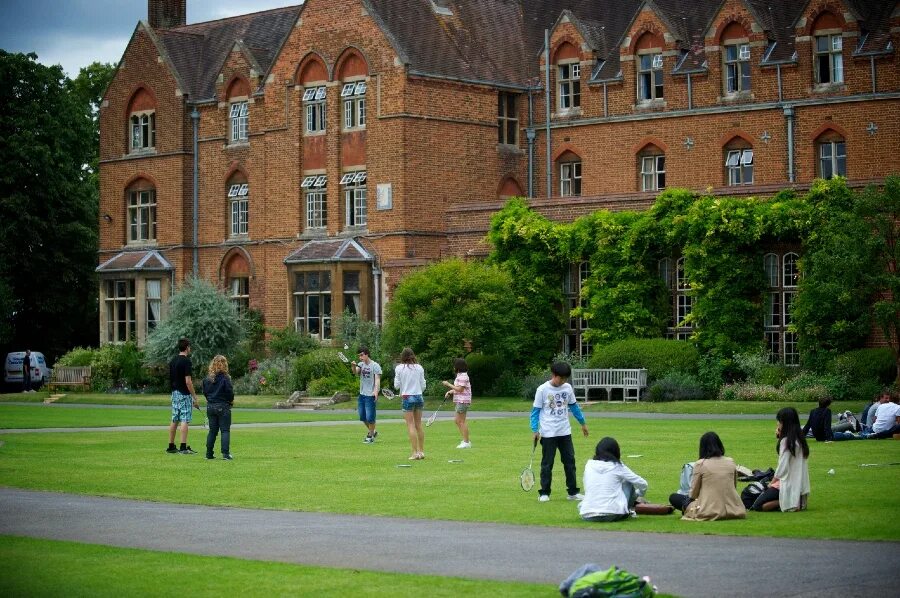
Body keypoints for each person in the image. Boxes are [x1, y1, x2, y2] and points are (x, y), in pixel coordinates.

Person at [531, 361, 589, 502]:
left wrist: (583, 423)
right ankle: (544, 493)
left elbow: (574, 407)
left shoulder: (567, 388)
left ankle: (573, 492)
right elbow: (535, 412)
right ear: (554, 375)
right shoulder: (542, 390)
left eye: (565, 378)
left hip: (565, 431)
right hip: (548, 432)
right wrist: (534, 430)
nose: (563, 381)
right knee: (547, 464)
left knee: (570, 462)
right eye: (560, 378)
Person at [668, 432, 746, 521]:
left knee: (674, 497)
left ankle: (689, 510)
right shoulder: (731, 462)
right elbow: (733, 486)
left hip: (708, 510)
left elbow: (693, 493)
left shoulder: (701, 464)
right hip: (734, 508)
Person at [751, 407, 810, 512]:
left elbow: (782, 467)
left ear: (784, 423)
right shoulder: (800, 440)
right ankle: (794, 500)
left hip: (787, 483)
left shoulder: (786, 442)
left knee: (758, 505)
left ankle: (790, 502)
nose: (777, 425)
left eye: (779, 422)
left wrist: (771, 483)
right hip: (799, 484)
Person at [579, 437, 647, 522]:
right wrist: (637, 495)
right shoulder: (618, 466)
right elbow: (643, 484)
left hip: (587, 515)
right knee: (628, 482)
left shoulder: (589, 465)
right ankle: (629, 509)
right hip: (613, 514)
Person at [167, 338, 199, 455]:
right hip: (184, 393)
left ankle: (171, 446)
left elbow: (171, 379)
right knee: (185, 419)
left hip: (174, 393)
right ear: (187, 348)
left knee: (175, 418)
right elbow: (188, 381)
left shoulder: (173, 361)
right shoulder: (186, 361)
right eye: (189, 347)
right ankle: (183, 447)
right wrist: (194, 396)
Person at [395, 347, 426, 459]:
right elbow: (423, 385)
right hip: (419, 397)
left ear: (402, 357)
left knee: (410, 425)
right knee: (418, 425)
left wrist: (404, 390)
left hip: (407, 397)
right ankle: (421, 452)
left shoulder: (399, 368)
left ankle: (414, 453)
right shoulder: (419, 367)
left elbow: (396, 385)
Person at [202, 355, 234, 460]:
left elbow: (205, 392)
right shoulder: (225, 378)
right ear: (225, 364)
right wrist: (230, 401)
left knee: (212, 431)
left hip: (210, 406)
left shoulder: (207, 379)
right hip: (223, 406)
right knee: (225, 430)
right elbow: (229, 393)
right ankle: (225, 453)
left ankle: (209, 453)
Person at [351, 346, 382, 444]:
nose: (360, 357)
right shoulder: (360, 364)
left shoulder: (375, 366)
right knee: (362, 417)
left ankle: (370, 436)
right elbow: (355, 372)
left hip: (370, 395)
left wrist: (376, 391)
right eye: (359, 355)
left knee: (370, 417)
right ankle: (373, 431)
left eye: (362, 355)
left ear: (366, 354)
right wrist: (353, 366)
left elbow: (377, 379)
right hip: (362, 394)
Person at [442, 357, 471, 448]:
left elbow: (460, 389)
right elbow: (458, 389)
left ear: (458, 367)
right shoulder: (460, 375)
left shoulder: (463, 376)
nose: (453, 367)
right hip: (460, 400)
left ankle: (466, 442)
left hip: (463, 401)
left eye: (454, 365)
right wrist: (450, 392)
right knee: (457, 420)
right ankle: (465, 440)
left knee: (461, 421)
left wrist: (448, 385)